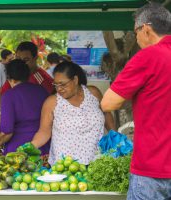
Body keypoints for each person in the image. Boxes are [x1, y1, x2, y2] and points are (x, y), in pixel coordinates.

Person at [101, 3, 171, 199]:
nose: (137, 39)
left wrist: (133, 93)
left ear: (146, 29)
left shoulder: (148, 56)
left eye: (136, 32)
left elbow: (108, 103)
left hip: (152, 170)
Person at [31, 61, 115, 165]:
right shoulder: (52, 102)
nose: (59, 89)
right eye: (56, 84)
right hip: (65, 166)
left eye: (63, 84)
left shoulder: (93, 93)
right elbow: (44, 132)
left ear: (75, 80)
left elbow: (106, 114)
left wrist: (115, 135)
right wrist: (30, 147)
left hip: (96, 162)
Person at [0, 59, 50, 155]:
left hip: (18, 149)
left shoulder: (9, 95)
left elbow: (7, 131)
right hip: (43, 146)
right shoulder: (42, 91)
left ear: (10, 79)